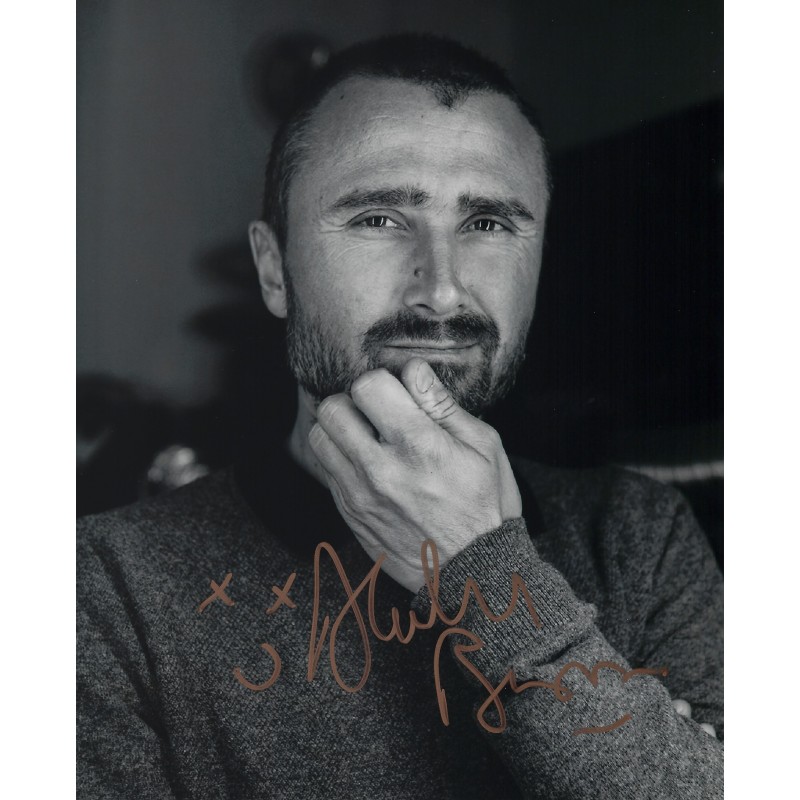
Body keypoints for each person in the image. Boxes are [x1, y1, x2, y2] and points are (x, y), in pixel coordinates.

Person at [77, 34, 723, 799]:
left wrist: (482, 572)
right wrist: (629, 738)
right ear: (274, 270)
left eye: (489, 224)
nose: (442, 291)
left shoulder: (639, 537)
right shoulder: (106, 587)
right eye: (379, 218)